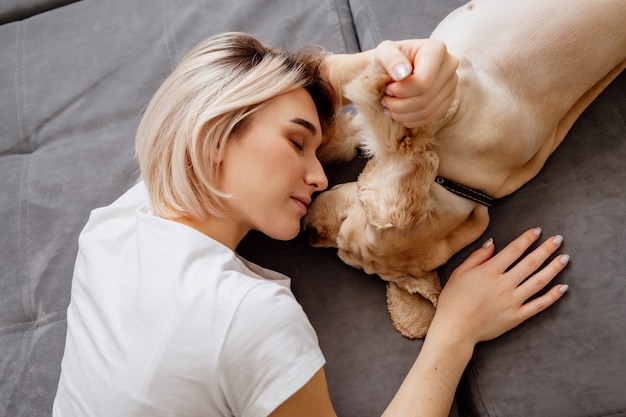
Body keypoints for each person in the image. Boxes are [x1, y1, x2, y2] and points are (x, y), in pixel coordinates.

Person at [52, 32, 569, 417]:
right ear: (213, 137)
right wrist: (457, 329)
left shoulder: (117, 226)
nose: (320, 175)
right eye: (297, 142)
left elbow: (264, 91)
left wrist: (399, 67)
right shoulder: (246, 319)